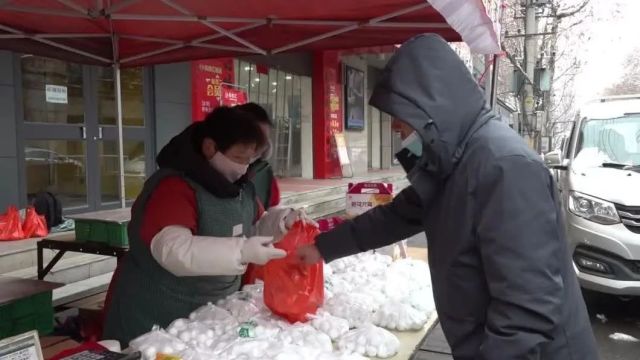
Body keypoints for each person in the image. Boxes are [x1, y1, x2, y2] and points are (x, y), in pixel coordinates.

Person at [297, 34, 598, 359]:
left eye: (401, 113)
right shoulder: (453, 160)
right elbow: (395, 217)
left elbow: (525, 308)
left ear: (431, 106)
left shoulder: (504, 168)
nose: (396, 127)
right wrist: (321, 247)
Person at [103, 107, 307, 345]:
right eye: (239, 158)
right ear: (210, 147)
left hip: (210, 316)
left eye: (249, 160)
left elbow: (256, 226)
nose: (243, 167)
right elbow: (173, 250)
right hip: (156, 317)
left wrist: (284, 220)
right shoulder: (174, 187)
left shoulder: (240, 187)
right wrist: (241, 251)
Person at [236, 102, 281, 209]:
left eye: (264, 141)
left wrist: (284, 218)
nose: (260, 147)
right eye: (255, 139)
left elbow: (273, 208)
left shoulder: (263, 172)